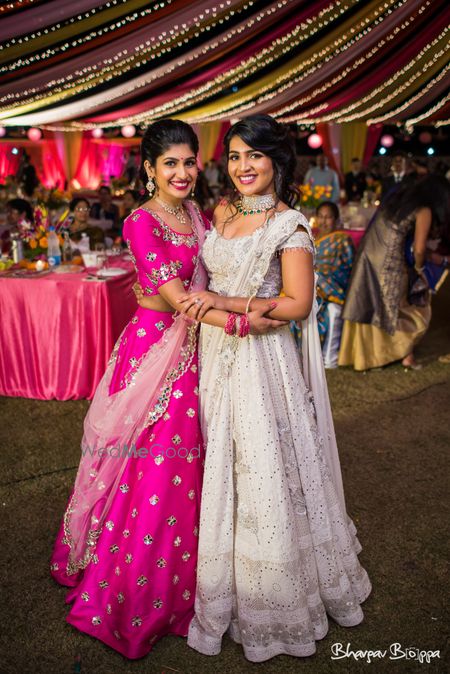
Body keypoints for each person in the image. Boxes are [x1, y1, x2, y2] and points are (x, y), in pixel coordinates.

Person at [136, 115, 370, 661]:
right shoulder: (220, 212)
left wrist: (229, 305)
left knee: (265, 466)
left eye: (255, 156)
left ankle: (275, 595)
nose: (243, 167)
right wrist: (200, 302)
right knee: (218, 462)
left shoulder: (290, 225)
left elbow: (296, 305)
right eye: (235, 156)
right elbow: (195, 278)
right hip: (214, 357)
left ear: (276, 162)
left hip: (263, 365)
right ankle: (220, 578)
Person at [50, 119, 281, 659]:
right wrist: (252, 317)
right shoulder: (140, 223)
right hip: (157, 354)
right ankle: (139, 594)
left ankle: (196, 585)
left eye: (189, 162)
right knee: (155, 467)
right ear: (149, 170)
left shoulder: (199, 215)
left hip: (202, 353)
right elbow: (180, 298)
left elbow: (220, 275)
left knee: (200, 465)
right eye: (169, 164)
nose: (182, 172)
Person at [339, 176, 450, 371]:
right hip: (389, 259)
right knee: (406, 305)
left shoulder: (399, 200)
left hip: (368, 253)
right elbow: (419, 249)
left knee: (372, 304)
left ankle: (369, 358)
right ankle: (405, 355)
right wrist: (418, 268)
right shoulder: (424, 209)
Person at [305, 201, 354, 368]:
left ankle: (329, 359)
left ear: (336, 219)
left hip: (335, 291)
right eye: (321, 217)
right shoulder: (310, 239)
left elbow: (350, 267)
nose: (324, 221)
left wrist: (327, 280)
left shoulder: (342, 240)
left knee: (333, 312)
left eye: (328, 217)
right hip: (309, 290)